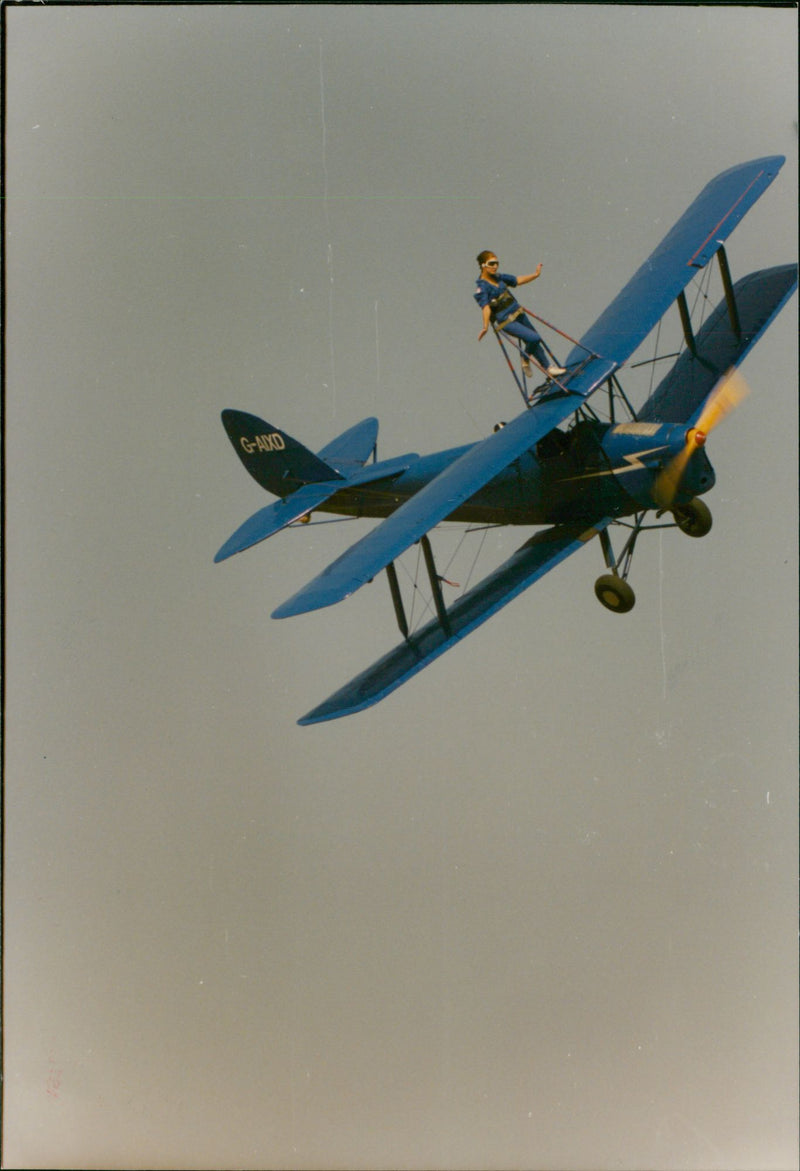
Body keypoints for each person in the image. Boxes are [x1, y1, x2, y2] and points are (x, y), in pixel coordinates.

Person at [474, 251, 566, 378]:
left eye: (497, 263)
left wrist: (535, 275)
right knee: (534, 338)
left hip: (518, 313)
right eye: (491, 263)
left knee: (536, 340)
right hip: (506, 321)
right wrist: (485, 326)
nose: (495, 266)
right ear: (483, 265)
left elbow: (517, 280)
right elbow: (485, 307)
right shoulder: (482, 287)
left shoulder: (499, 277)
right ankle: (525, 359)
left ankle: (548, 367)